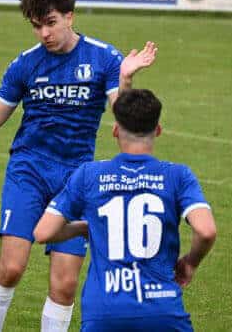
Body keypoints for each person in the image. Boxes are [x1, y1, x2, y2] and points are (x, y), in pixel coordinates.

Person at [0, 0, 157, 332]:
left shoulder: (104, 59)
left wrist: (127, 78)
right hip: (29, 170)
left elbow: (123, 114)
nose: (45, 33)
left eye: (51, 23)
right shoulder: (26, 63)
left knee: (65, 284)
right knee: (11, 267)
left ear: (70, 16)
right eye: (37, 26)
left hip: (76, 178)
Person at [34, 89, 216, 332]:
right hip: (163, 312)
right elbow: (206, 231)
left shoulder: (89, 174)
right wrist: (190, 263)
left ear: (115, 130)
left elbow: (43, 233)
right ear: (158, 130)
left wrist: (83, 228)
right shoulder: (178, 175)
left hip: (104, 313)